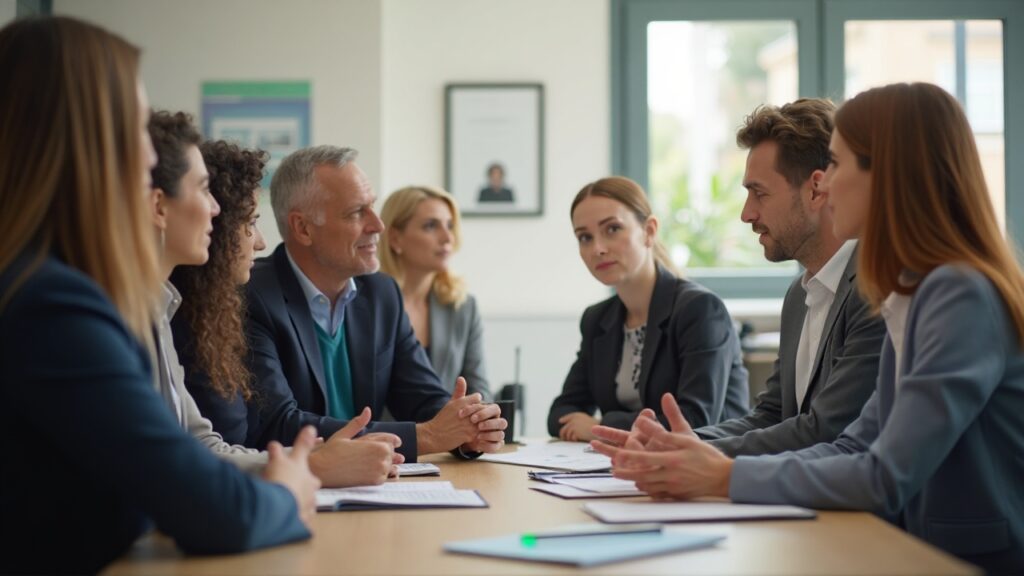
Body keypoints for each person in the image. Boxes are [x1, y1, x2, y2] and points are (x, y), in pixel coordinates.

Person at [592, 83, 1024, 573]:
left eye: (837, 165)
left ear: (888, 175)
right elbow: (855, 446)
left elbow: (884, 475)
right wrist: (698, 459)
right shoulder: (909, 291)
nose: (828, 183)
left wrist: (723, 475)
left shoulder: (958, 293)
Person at [0, 16, 316, 574]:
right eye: (133, 130)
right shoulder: (51, 305)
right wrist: (288, 492)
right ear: (88, 144)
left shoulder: (48, 287)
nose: (150, 158)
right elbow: (214, 511)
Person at [163, 132, 400, 487]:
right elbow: (187, 459)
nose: (259, 242)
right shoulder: (202, 311)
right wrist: (314, 464)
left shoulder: (193, 314)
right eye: (250, 223)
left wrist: (312, 459)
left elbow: (207, 446)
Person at [246, 145, 506, 462]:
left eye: (373, 207)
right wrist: (427, 437)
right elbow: (278, 425)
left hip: (370, 484)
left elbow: (422, 396)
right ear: (303, 228)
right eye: (357, 212)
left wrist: (468, 428)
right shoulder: (252, 295)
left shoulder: (381, 293)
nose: (378, 225)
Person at [688, 99, 885, 456]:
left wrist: (703, 459)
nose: (747, 214)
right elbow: (773, 416)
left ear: (815, 190)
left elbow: (827, 430)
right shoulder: (799, 294)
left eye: (759, 193)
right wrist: (682, 442)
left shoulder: (876, 288)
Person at [547, 176, 749, 442]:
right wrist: (602, 427)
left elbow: (694, 421)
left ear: (649, 231)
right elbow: (561, 414)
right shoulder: (598, 319)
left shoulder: (699, 310)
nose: (597, 248)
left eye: (612, 229)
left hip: (710, 465)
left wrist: (601, 426)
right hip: (627, 465)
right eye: (585, 237)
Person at [379, 185, 491, 400]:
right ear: (395, 239)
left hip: (451, 432)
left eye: (450, 225)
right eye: (431, 226)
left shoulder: (463, 307)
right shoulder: (366, 306)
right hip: (380, 433)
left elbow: (480, 392)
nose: (447, 238)